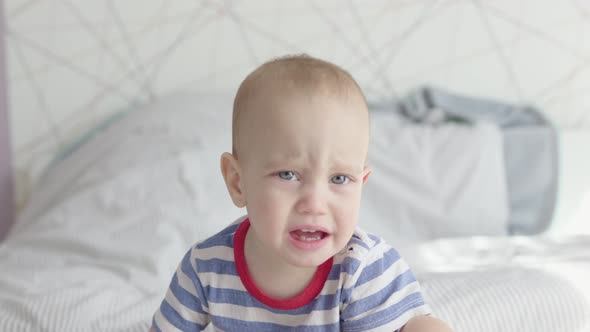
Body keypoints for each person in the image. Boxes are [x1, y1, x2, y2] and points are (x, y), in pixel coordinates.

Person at [150, 55, 453, 331]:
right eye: (288, 175)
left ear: (362, 183)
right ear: (237, 182)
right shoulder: (206, 267)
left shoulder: (362, 268)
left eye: (339, 178)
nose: (314, 203)